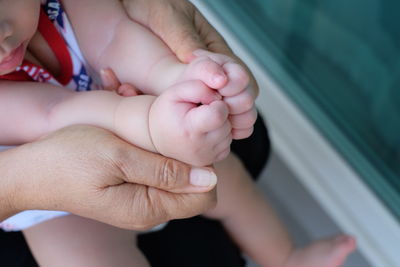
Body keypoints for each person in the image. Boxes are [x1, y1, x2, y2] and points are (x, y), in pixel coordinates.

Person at [0, 1, 356, 267]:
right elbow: (51, 115)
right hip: (52, 188)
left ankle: (286, 257)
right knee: (81, 258)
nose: (2, 42)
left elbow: (114, 38)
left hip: (139, 114)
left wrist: (181, 78)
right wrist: (155, 121)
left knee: (227, 181)